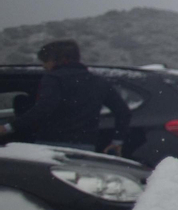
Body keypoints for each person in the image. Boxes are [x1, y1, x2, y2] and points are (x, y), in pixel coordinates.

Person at [0, 39, 130, 154]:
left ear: (58, 60)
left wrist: (8, 127)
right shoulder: (98, 81)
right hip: (85, 147)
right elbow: (123, 112)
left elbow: (44, 107)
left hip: (51, 145)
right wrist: (117, 142)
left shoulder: (53, 78)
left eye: (45, 61)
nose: (44, 66)